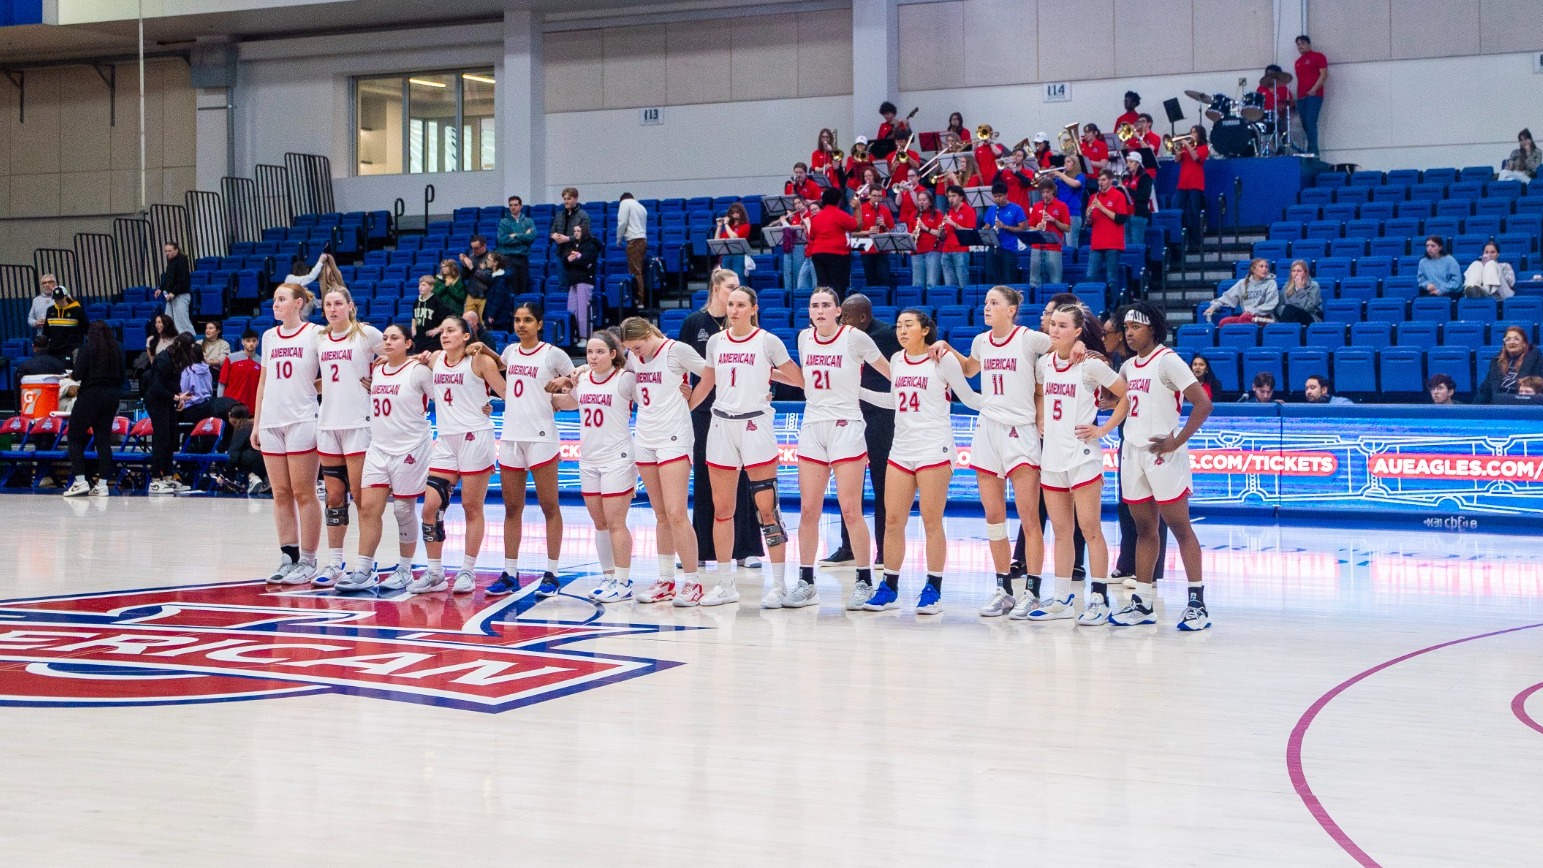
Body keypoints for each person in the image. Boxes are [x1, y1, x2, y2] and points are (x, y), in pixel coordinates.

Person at [930, 287, 1057, 618]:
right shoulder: (981, 342)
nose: (986, 307)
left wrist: (1083, 347)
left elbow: (1061, 348)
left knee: (1029, 517)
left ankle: (1033, 590)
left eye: (994, 303)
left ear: (1012, 310)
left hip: (1020, 431)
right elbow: (971, 370)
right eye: (986, 303)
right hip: (987, 429)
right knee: (993, 516)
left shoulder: (1031, 339)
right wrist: (948, 348)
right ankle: (1003, 588)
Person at [856, 309, 980, 614]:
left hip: (934, 448)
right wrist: (855, 391)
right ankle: (890, 587)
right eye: (898, 325)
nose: (901, 330)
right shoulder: (897, 360)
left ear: (925, 330)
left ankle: (933, 589)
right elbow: (895, 402)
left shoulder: (942, 359)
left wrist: (1013, 407)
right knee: (894, 519)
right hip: (902, 448)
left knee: (931, 520)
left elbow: (970, 398)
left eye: (908, 325)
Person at [687, 286, 803, 608]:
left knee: (767, 509)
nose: (734, 309)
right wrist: (684, 412)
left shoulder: (768, 341)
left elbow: (799, 378)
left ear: (754, 308)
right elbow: (706, 383)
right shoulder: (715, 342)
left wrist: (777, 378)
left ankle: (779, 585)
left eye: (741, 305)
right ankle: (726, 585)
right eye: (731, 304)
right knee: (722, 510)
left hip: (756, 426)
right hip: (721, 425)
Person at [1109, 303, 1214, 631]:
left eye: (1135, 327)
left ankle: (1197, 604)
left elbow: (1203, 403)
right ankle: (1142, 602)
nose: (1129, 332)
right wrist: (1112, 404)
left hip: (1163, 453)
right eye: (1126, 327)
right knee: (1144, 530)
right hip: (1133, 453)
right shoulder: (1128, 366)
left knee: (1180, 528)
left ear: (1152, 328)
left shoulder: (1168, 360)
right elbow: (1130, 401)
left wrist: (1178, 440)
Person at [788, 287, 890, 610]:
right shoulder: (804, 339)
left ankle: (863, 580)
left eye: (826, 305)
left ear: (837, 312)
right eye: (814, 305)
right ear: (809, 312)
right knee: (808, 510)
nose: (819, 310)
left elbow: (893, 374)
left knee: (850, 509)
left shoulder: (855, 339)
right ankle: (806, 581)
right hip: (813, 426)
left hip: (847, 424)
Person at [1025, 304, 1127, 625]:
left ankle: (1099, 599)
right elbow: (1040, 393)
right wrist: (1041, 415)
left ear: (1078, 331)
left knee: (1091, 530)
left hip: (1083, 457)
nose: (1054, 330)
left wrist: (1103, 429)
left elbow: (1126, 395)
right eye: (1052, 324)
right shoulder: (1044, 365)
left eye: (1062, 325)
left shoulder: (1091, 366)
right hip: (1052, 457)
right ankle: (1063, 598)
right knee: (1061, 532)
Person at [333, 324, 433, 593]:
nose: (388, 342)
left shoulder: (420, 372)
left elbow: (446, 398)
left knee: (403, 510)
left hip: (410, 449)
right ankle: (364, 569)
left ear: (408, 343)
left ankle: (404, 569)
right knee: (367, 507)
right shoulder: (377, 370)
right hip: (379, 448)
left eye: (395, 338)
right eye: (386, 338)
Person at [617, 317, 707, 606]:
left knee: (676, 512)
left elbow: (711, 373)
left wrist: (693, 401)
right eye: (631, 348)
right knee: (660, 514)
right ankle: (666, 580)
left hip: (674, 437)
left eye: (638, 345)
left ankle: (693, 582)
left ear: (647, 333)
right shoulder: (634, 355)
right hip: (644, 437)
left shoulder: (675, 350)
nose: (636, 352)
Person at [681, 270, 766, 573]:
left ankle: (746, 549)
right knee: (706, 480)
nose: (735, 295)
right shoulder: (694, 323)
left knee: (746, 479)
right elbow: (683, 365)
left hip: (743, 411)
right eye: (730, 288)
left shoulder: (749, 326)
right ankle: (702, 549)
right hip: (707, 411)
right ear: (716, 289)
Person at [416, 316, 508, 595]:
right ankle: (435, 573)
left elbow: (507, 393)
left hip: (475, 437)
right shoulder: (435, 360)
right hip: (445, 439)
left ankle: (467, 570)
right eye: (442, 331)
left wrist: (489, 402)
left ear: (466, 336)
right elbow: (411, 358)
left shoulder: (480, 361)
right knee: (430, 508)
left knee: (471, 506)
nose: (445, 335)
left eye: (451, 330)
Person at [488, 301, 574, 597]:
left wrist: (565, 384)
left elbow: (578, 382)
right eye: (517, 320)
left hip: (541, 437)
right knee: (512, 508)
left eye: (527, 320)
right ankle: (510, 572)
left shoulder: (554, 353)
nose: (521, 325)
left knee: (550, 506)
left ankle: (552, 572)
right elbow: (498, 368)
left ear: (539, 324)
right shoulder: (510, 352)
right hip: (511, 436)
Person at [551, 332, 639, 603]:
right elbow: (570, 402)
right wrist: (544, 400)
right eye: (590, 352)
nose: (594, 356)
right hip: (588, 459)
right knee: (599, 523)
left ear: (613, 353)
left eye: (600, 351)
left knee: (615, 522)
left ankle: (624, 581)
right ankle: (609, 576)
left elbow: (643, 375)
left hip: (618, 457)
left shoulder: (625, 379)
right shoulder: (582, 380)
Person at [313, 288, 385, 588]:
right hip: (328, 423)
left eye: (338, 304)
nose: (333, 309)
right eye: (328, 304)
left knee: (362, 498)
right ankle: (334, 563)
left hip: (359, 423)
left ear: (350, 306)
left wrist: (379, 378)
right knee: (333, 498)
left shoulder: (367, 334)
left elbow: (397, 357)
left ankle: (366, 564)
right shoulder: (319, 338)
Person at [252, 284, 323, 584]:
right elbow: (263, 384)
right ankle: (288, 556)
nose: (275, 304)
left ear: (298, 303)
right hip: (271, 421)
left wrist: (309, 389)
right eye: (274, 300)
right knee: (280, 493)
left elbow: (332, 376)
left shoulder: (316, 333)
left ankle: (308, 560)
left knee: (303, 492)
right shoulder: (269, 337)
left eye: (281, 299)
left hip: (302, 420)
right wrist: (257, 423)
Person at [827, 294, 902, 576]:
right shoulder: (839, 338)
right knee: (848, 488)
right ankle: (848, 547)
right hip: (849, 417)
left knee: (883, 485)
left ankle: (884, 548)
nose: (842, 321)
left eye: (846, 317)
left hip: (881, 417)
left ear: (863, 318)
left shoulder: (887, 335)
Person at [61, 321, 123, 498]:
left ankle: (80, 482)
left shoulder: (87, 349)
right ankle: (102, 485)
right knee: (103, 439)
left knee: (74, 437)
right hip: (112, 396)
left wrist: (71, 375)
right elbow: (121, 375)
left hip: (91, 394)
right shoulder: (117, 350)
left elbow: (79, 374)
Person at [143, 329, 192, 496]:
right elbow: (157, 387)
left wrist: (179, 398)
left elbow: (174, 383)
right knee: (161, 438)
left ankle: (168, 477)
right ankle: (155, 479)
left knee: (171, 438)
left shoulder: (179, 359)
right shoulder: (164, 358)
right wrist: (175, 397)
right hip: (156, 400)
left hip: (167, 400)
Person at [806, 187, 857, 296]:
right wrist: (857, 209)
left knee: (823, 286)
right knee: (838, 286)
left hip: (818, 253)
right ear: (838, 200)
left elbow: (812, 236)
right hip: (837, 253)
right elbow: (854, 226)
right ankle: (837, 311)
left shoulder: (816, 217)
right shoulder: (840, 214)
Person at [1086, 169, 1130, 292]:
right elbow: (1090, 223)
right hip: (1096, 243)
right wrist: (1088, 216)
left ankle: (1112, 308)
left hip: (1113, 243)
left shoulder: (1118, 196)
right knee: (1090, 275)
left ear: (1110, 180)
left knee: (1111, 278)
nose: (1101, 183)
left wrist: (1101, 207)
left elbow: (1121, 219)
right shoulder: (1093, 197)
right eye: (1099, 180)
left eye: (1104, 180)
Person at [1475, 326, 1543, 404]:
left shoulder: (1538, 361)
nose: (1512, 342)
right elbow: (1486, 388)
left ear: (1525, 343)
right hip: (1499, 405)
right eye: (1508, 339)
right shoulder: (1497, 362)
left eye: (1516, 339)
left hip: (1526, 405)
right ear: (1504, 344)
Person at [1026, 179, 1070, 289]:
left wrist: (1054, 220)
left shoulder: (1062, 206)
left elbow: (1067, 228)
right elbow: (1030, 226)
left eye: (1047, 192)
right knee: (1034, 280)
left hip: (1053, 248)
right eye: (1042, 192)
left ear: (1053, 191)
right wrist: (1037, 228)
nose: (1045, 195)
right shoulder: (1036, 206)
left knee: (1055, 279)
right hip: (1037, 247)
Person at [560, 222, 600, 340]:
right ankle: (574, 335)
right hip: (573, 281)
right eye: (575, 231)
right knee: (572, 309)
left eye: (578, 231)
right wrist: (568, 259)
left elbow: (585, 262)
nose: (576, 234)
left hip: (585, 281)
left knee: (583, 311)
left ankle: (585, 336)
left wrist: (575, 258)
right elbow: (566, 264)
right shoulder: (573, 246)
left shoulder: (590, 246)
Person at [1208, 258, 1279, 325]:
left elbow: (1271, 305)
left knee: (1245, 318)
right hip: (1246, 317)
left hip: (1266, 318)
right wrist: (1213, 307)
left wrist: (1252, 311)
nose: (1264, 269)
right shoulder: (1243, 283)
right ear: (1253, 269)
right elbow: (1227, 298)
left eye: (1266, 267)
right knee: (1224, 322)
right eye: (1261, 266)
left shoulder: (1271, 283)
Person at [983, 181, 1028, 285]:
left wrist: (1005, 226)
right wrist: (984, 230)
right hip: (993, 249)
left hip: (1009, 249)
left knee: (1009, 279)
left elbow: (1022, 228)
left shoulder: (1016, 208)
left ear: (1006, 195)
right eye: (995, 196)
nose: (998, 199)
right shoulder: (991, 209)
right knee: (992, 279)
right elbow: (987, 225)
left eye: (1000, 196)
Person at [854, 184, 895, 292]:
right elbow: (853, 232)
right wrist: (868, 231)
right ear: (869, 195)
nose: (877, 199)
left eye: (879, 196)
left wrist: (884, 226)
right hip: (867, 250)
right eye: (874, 196)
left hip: (882, 249)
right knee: (870, 279)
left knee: (884, 278)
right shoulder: (861, 209)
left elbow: (891, 231)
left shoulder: (885, 210)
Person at [1176, 126, 1209, 251]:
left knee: (1194, 213)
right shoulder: (1185, 147)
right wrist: (1178, 149)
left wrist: (1186, 145)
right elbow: (1177, 160)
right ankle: (1183, 240)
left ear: (1200, 134)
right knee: (1180, 212)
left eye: (1194, 132)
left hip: (1195, 184)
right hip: (1182, 184)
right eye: (1190, 132)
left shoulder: (1203, 148)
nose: (1191, 134)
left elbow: (1196, 158)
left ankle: (1196, 241)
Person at [1294, 35, 1328, 156]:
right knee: (1304, 124)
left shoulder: (1318, 56)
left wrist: (1314, 89)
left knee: (1310, 122)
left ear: (1309, 44)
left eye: (1302, 43)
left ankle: (1313, 151)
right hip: (1301, 97)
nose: (1300, 46)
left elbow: (1324, 74)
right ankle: (1310, 149)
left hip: (1314, 96)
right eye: (1298, 44)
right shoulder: (1297, 62)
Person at [173, 333, 217, 425]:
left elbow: (184, 391)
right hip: (207, 406)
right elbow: (210, 388)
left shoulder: (188, 370)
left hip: (192, 408)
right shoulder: (207, 368)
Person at [939, 184, 977, 289]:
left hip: (960, 250)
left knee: (963, 283)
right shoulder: (948, 212)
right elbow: (944, 236)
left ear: (961, 197)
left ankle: (964, 303)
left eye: (954, 196)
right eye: (949, 196)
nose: (951, 199)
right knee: (950, 284)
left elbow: (970, 232)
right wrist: (941, 232)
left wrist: (953, 223)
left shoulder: (969, 211)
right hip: (946, 250)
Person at [225, 405, 268, 494]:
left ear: (231, 416)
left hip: (256, 458)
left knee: (237, 455)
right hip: (268, 457)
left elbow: (234, 452)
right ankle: (265, 480)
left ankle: (252, 477)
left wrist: (226, 473)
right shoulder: (254, 423)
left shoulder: (241, 426)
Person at [908, 188, 945, 289]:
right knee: (917, 283)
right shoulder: (913, 215)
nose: (921, 202)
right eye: (919, 200)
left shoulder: (937, 214)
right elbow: (910, 234)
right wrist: (913, 234)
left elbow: (941, 234)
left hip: (932, 250)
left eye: (924, 200)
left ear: (930, 201)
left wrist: (925, 228)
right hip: (916, 251)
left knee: (931, 282)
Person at [1045, 157, 1086, 248]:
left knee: (1071, 244)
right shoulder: (1060, 178)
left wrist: (1060, 175)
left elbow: (1075, 184)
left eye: (1068, 161)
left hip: (1072, 214)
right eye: (1064, 162)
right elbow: (1050, 192)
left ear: (1074, 164)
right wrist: (1049, 178)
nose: (1065, 164)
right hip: (1059, 213)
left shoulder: (1080, 176)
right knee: (1060, 244)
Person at [617, 192, 649, 307]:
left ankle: (639, 300)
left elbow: (622, 223)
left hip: (634, 240)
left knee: (635, 271)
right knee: (638, 270)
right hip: (642, 239)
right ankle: (639, 298)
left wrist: (619, 238)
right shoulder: (641, 207)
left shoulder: (625, 204)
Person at [156, 241, 194, 335]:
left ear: (176, 250)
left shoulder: (181, 260)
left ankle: (190, 340)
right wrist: (161, 289)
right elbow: (168, 279)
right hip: (170, 296)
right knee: (168, 321)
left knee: (181, 321)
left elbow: (183, 279)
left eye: (170, 250)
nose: (167, 253)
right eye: (166, 251)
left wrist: (174, 292)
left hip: (180, 295)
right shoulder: (171, 262)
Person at [220, 329, 261, 410]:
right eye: (248, 341)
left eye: (254, 341)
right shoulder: (231, 358)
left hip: (252, 407)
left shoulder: (262, 362)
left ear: (258, 342)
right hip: (231, 405)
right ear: (242, 342)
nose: (251, 344)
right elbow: (222, 383)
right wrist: (220, 403)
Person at [43, 286, 88, 358]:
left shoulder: (77, 310)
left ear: (66, 296)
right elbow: (46, 330)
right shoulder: (50, 310)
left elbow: (86, 328)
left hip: (71, 349)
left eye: (60, 298)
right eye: (56, 299)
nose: (58, 301)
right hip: (54, 350)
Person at [411, 274, 452, 354]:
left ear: (431, 287)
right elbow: (414, 317)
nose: (420, 287)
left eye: (424, 285)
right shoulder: (417, 301)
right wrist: (413, 328)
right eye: (419, 285)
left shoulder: (436, 301)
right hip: (419, 339)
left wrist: (438, 329)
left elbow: (449, 316)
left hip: (432, 340)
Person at [456, 236, 495, 320]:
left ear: (484, 246)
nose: (474, 251)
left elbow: (488, 278)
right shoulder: (472, 257)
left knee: (483, 324)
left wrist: (472, 268)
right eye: (472, 248)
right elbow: (463, 276)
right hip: (471, 294)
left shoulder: (491, 258)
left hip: (485, 296)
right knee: (467, 322)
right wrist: (464, 265)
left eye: (476, 248)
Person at [714, 202, 753, 280]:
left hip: (739, 256)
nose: (735, 214)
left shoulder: (745, 225)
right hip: (726, 256)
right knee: (725, 279)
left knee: (738, 279)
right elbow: (716, 240)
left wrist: (726, 224)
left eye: (737, 212)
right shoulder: (730, 227)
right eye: (733, 213)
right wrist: (719, 226)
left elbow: (734, 237)